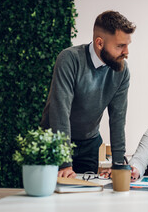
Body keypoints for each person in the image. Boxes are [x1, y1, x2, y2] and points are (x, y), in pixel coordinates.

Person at [40, 10, 136, 178]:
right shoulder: (69, 59)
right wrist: (64, 162)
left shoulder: (121, 70)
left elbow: (118, 118)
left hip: (89, 145)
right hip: (54, 143)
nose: (126, 52)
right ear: (100, 43)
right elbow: (60, 112)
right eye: (120, 46)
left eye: (127, 45)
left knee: (85, 198)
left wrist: (119, 164)